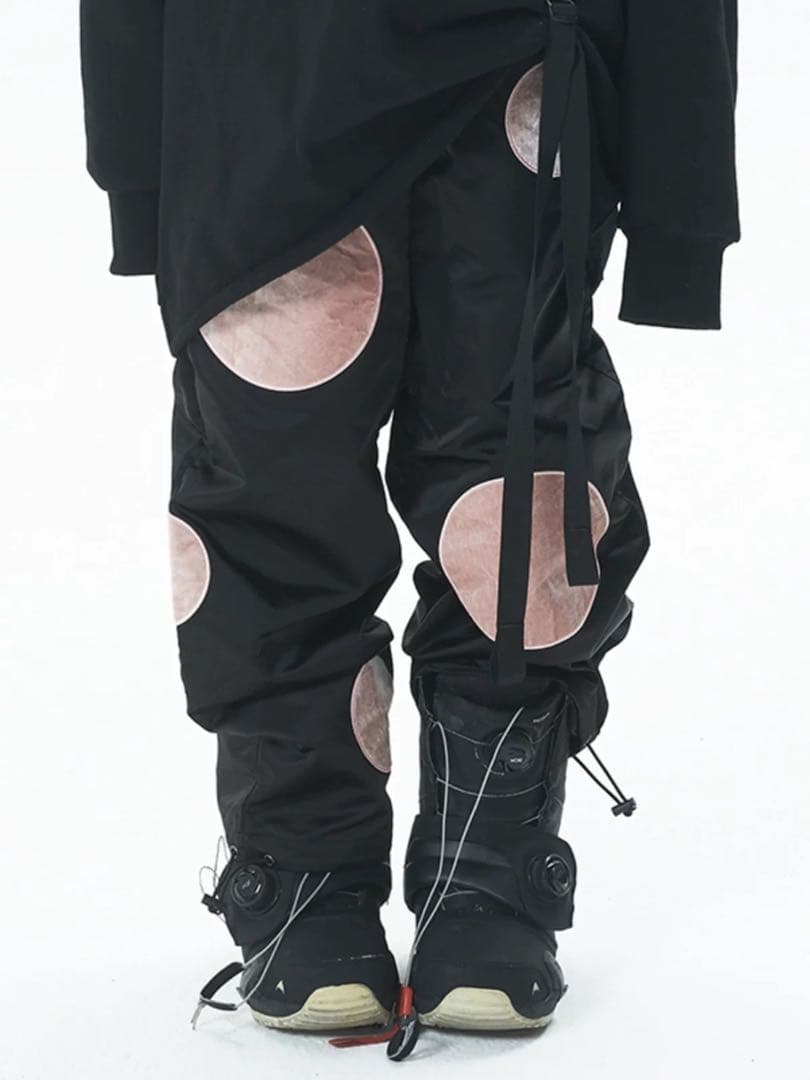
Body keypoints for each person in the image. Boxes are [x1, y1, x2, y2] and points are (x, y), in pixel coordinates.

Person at [80, 0, 739, 1059]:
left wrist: (683, 201)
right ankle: (305, 872)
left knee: (518, 504)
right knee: (275, 490)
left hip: (515, 80)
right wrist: (137, 164)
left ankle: (488, 872)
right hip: (263, 91)